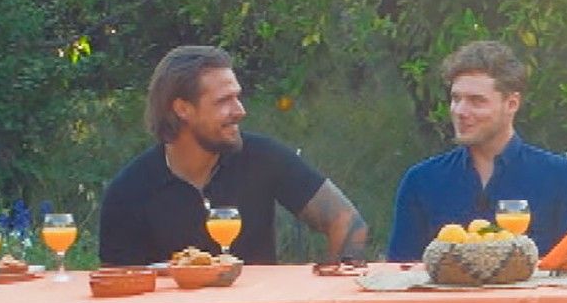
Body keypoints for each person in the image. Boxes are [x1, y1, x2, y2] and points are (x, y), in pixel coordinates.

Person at [100, 46, 369, 266]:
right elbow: (116, 290)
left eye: (237, 97)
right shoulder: (130, 192)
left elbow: (347, 222)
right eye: (223, 101)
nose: (240, 110)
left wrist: (330, 299)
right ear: (183, 109)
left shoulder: (263, 158)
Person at [385, 40, 567, 260]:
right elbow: (399, 274)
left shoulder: (562, 178)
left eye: (476, 101)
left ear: (512, 104)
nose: (460, 111)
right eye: (456, 98)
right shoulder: (422, 181)